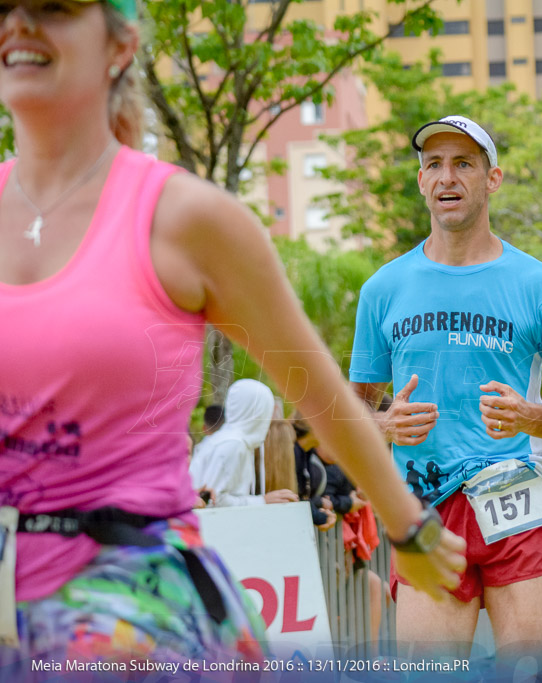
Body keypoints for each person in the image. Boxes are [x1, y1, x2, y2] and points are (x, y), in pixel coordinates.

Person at [0, 1, 464, 669]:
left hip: (131, 602)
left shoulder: (185, 218)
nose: (20, 23)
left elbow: (321, 397)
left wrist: (408, 525)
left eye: (53, 7)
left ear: (120, 44)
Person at [348, 115, 542, 664]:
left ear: (492, 180)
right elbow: (350, 416)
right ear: (421, 181)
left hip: (516, 497)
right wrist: (384, 425)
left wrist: (530, 417)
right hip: (426, 509)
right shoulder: (383, 289)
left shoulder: (538, 286)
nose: (448, 177)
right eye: (434, 165)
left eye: (464, 164)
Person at [189, 380, 300, 508]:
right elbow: (214, 500)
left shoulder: (227, 440)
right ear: (258, 411)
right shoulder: (233, 444)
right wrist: (262, 501)